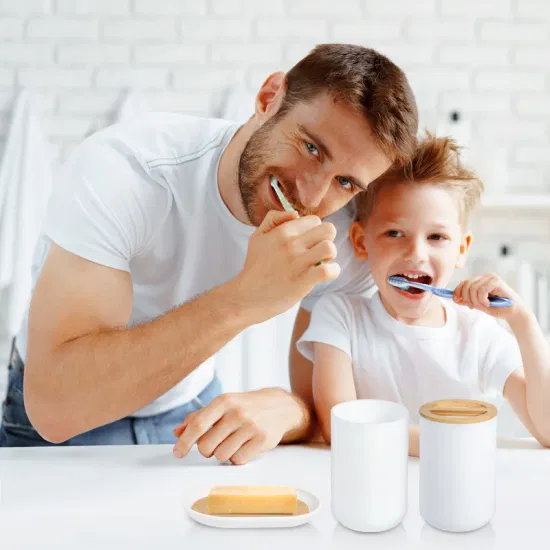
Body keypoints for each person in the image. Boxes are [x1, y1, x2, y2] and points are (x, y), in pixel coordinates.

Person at [0, 44, 418, 463]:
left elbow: (337, 411)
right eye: (311, 148)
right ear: (269, 97)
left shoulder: (346, 234)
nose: (311, 195)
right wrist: (245, 299)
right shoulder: (128, 172)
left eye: (345, 182)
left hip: (189, 409)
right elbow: (54, 407)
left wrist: (289, 409)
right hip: (59, 417)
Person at [296, 134, 550, 455]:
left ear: (461, 250)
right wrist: (454, 442)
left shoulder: (479, 334)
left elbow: (547, 430)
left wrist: (522, 320)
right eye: (395, 233)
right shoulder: (340, 316)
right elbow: (340, 426)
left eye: (436, 236)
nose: (416, 253)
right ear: (361, 242)